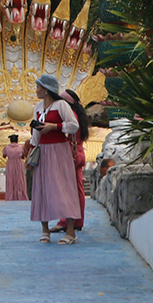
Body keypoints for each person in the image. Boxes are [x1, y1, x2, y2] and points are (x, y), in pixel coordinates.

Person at [30, 74, 81, 244]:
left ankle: (71, 231)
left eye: (38, 87)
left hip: (59, 150)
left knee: (64, 187)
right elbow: (36, 133)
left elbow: (73, 125)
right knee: (42, 188)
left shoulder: (61, 105)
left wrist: (55, 126)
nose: (36, 90)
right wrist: (32, 150)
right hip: (43, 150)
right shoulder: (38, 107)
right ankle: (45, 230)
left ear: (46, 89)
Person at [53, 89, 90, 234]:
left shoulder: (70, 115)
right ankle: (78, 220)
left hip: (69, 154)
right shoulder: (79, 115)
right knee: (78, 188)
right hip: (78, 152)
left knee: (67, 190)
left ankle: (66, 221)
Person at [2, 133, 28, 201]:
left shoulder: (7, 147)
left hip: (10, 164)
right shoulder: (21, 147)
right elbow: (23, 156)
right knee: (19, 180)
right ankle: (21, 196)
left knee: (10, 180)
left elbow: (4, 156)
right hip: (19, 164)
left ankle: (10, 196)